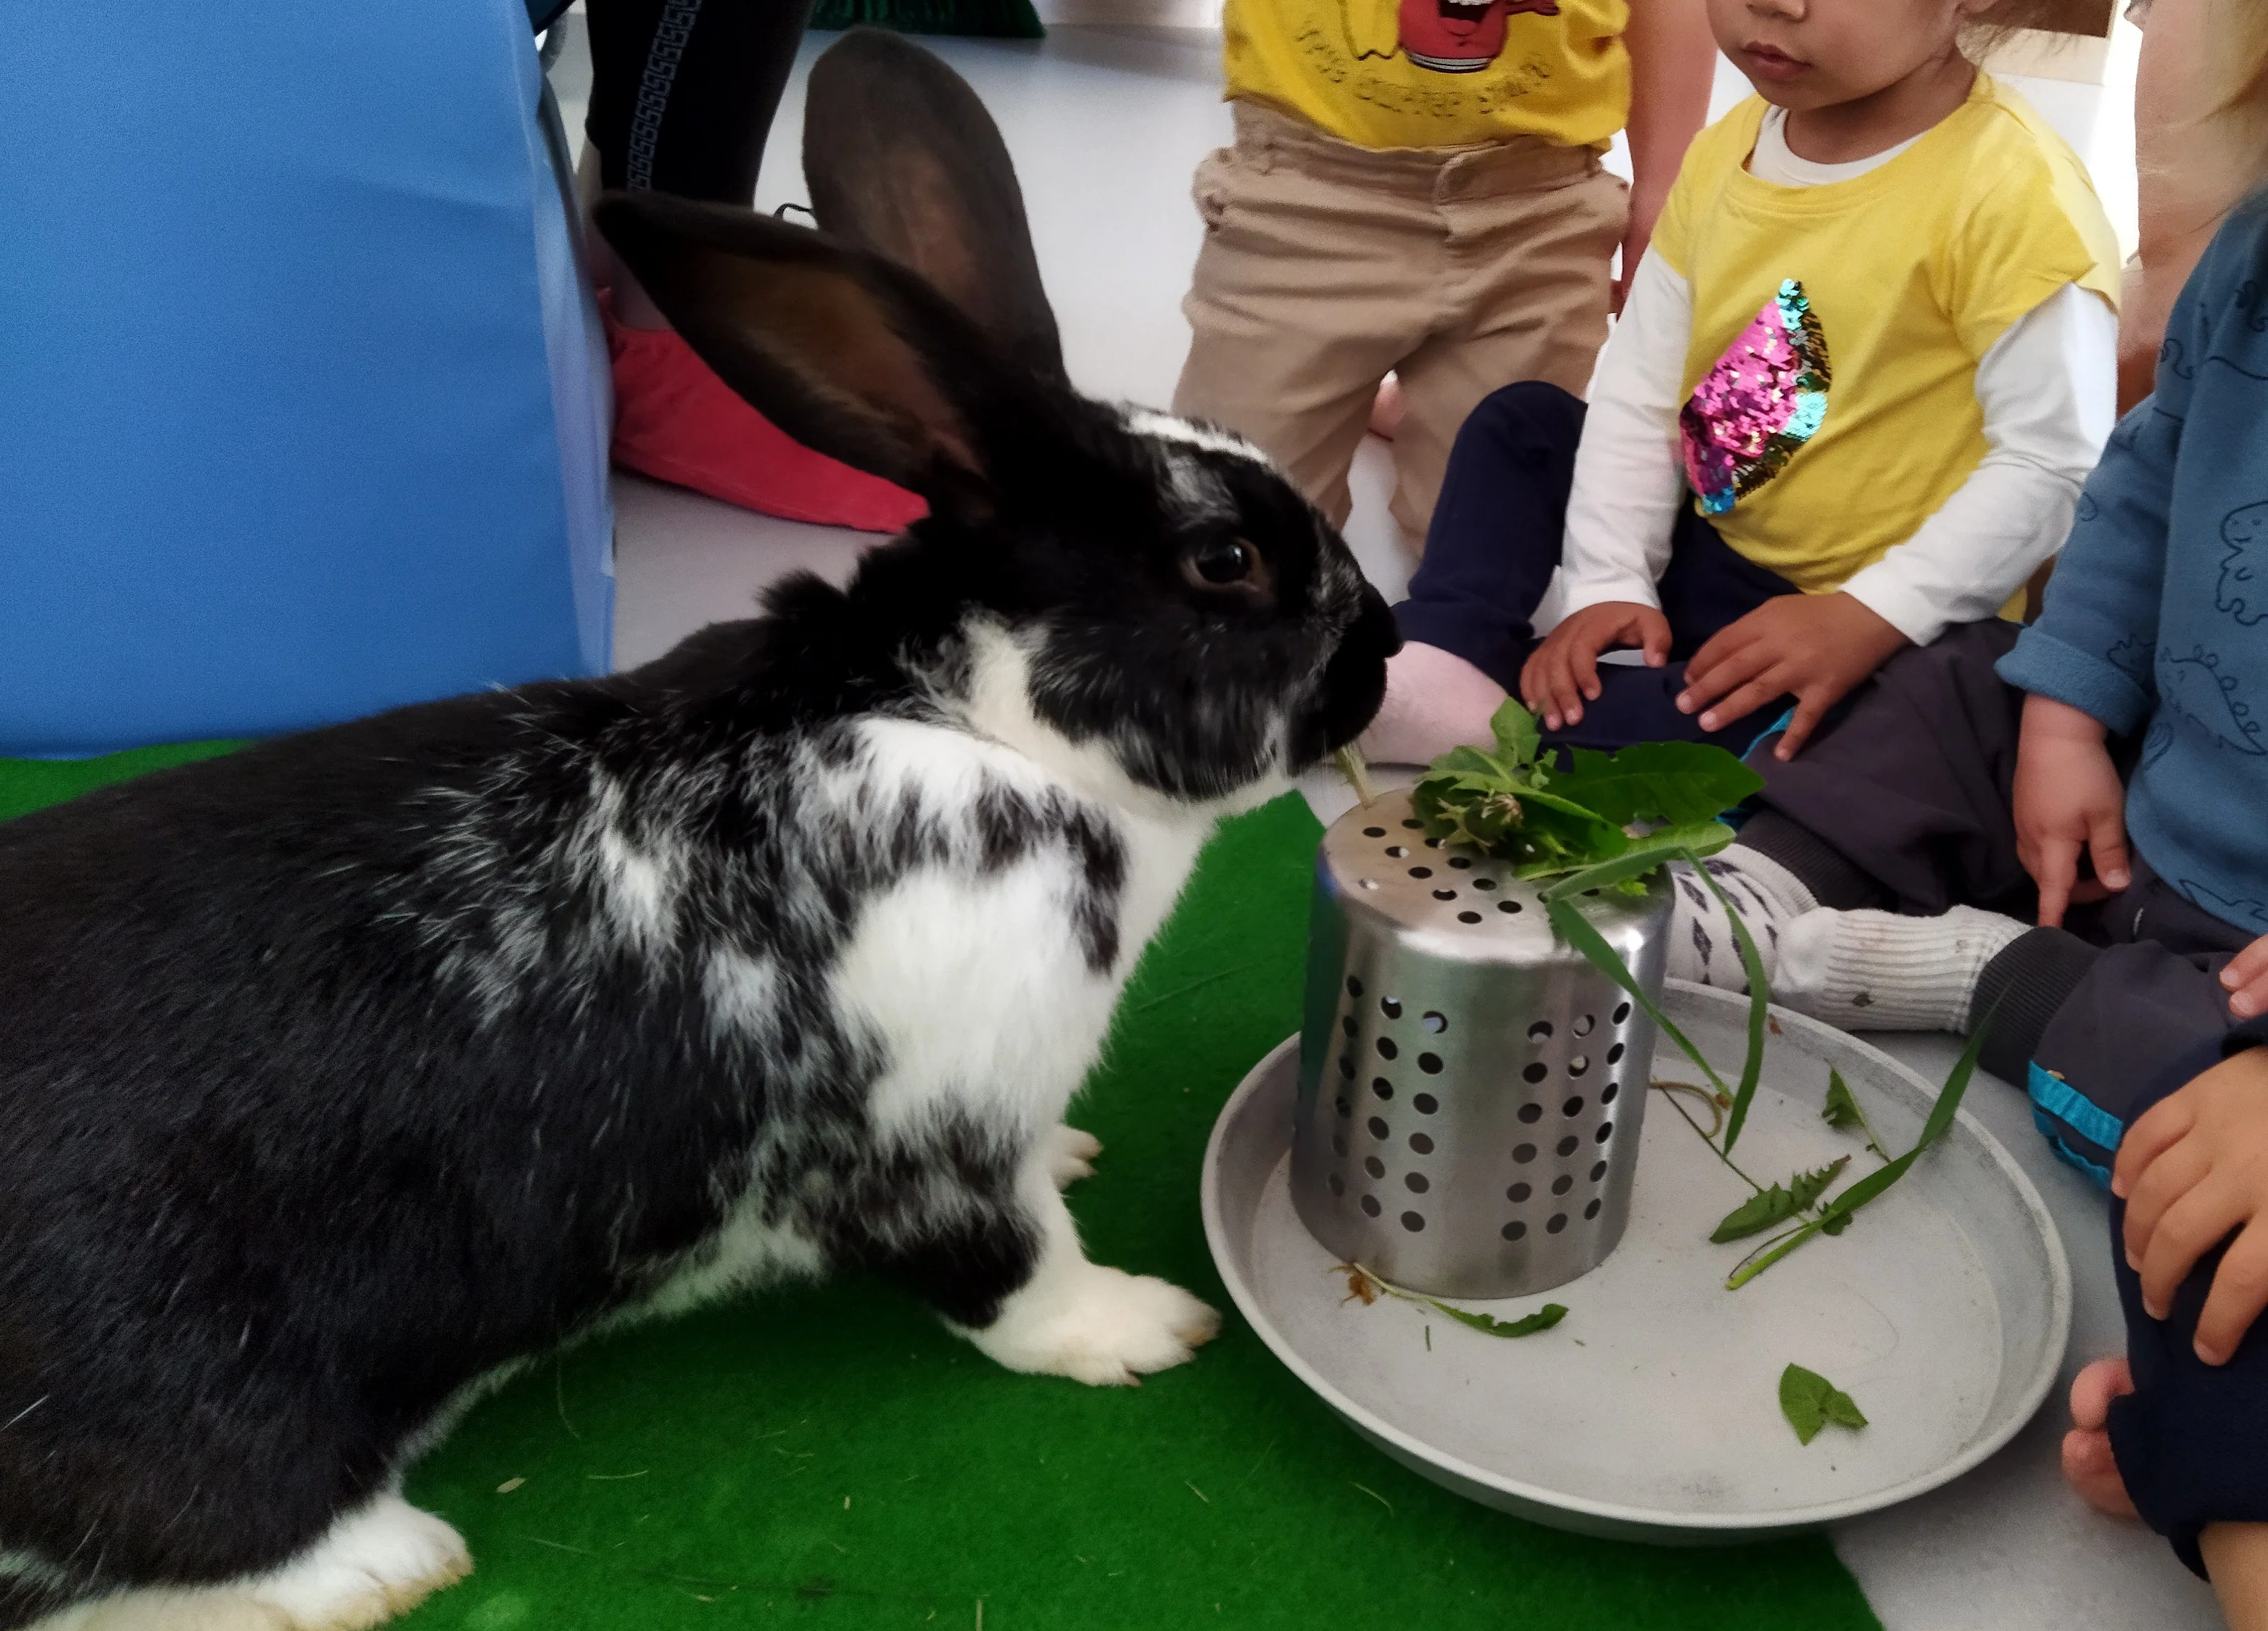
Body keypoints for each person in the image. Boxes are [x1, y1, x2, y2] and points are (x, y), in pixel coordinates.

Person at [1639, 2, 2268, 1598]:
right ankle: (1762, 888)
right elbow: (2141, 484)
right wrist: (2062, 707)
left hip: (2230, 976)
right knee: (1954, 679)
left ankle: (1979, 971)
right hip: (2138, 776)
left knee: (2183, 1109)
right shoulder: (2253, 256)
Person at [1360, 0, 2122, 766]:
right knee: (1523, 422)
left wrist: (1868, 614)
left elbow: (2052, 462)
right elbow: (1640, 389)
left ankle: (1500, 717)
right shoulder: (1730, 145)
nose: (1774, 5)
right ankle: (1446, 650)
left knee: (1856, 730)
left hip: (1875, 629)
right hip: (1710, 534)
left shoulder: (2016, 195)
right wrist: (1609, 584)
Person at [1170, 0, 1717, 544]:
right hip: (1305, 196)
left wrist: (1664, 190)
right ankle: (1409, 396)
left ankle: (1429, 399)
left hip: (1539, 208)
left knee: (1486, 544)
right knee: (1226, 532)